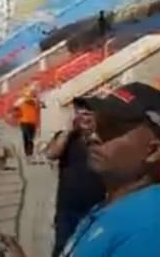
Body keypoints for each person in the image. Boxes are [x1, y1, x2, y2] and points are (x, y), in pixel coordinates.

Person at [60, 82, 160, 256]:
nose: (93, 136)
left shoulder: (149, 228)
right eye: (96, 125)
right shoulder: (114, 204)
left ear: (153, 151)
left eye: (110, 129)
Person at [45, 100, 105, 256]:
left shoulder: (105, 138)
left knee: (89, 248)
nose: (83, 118)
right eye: (80, 113)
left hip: (97, 206)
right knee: (62, 246)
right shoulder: (66, 137)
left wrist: (96, 138)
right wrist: (67, 131)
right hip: (68, 206)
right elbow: (51, 154)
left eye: (88, 114)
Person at [13, 87, 40, 160]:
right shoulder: (34, 101)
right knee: (30, 138)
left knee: (27, 138)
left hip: (25, 122)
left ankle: (28, 153)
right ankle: (29, 153)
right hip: (29, 122)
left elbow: (15, 107)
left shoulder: (22, 101)